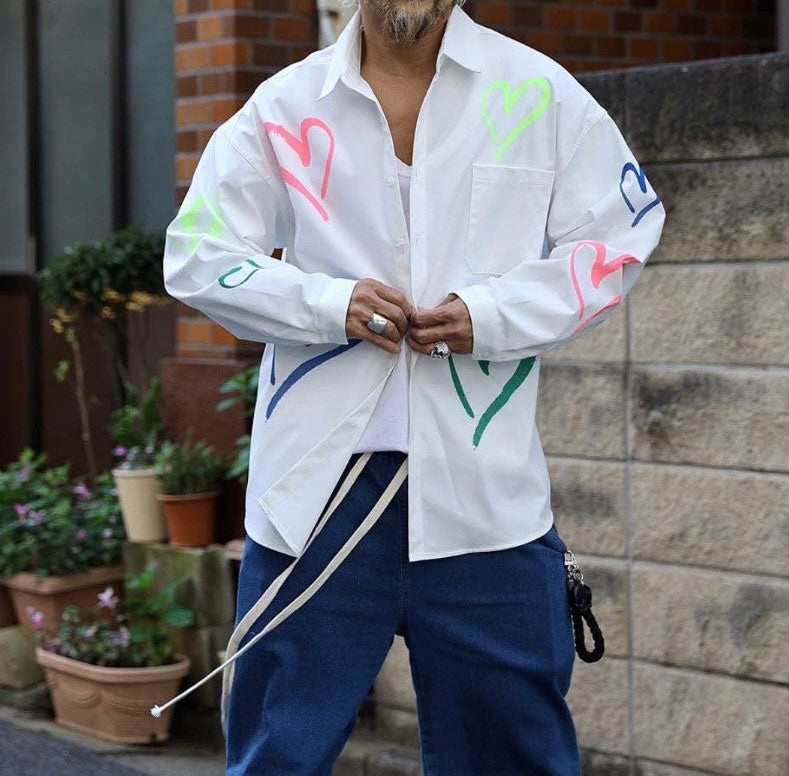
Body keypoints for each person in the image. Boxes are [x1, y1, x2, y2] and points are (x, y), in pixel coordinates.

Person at [160, 0, 665, 772]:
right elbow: (196, 255)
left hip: (484, 500)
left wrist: (492, 314)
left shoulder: (538, 91)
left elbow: (621, 233)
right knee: (275, 759)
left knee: (513, 759)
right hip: (314, 500)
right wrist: (328, 303)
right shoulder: (285, 106)